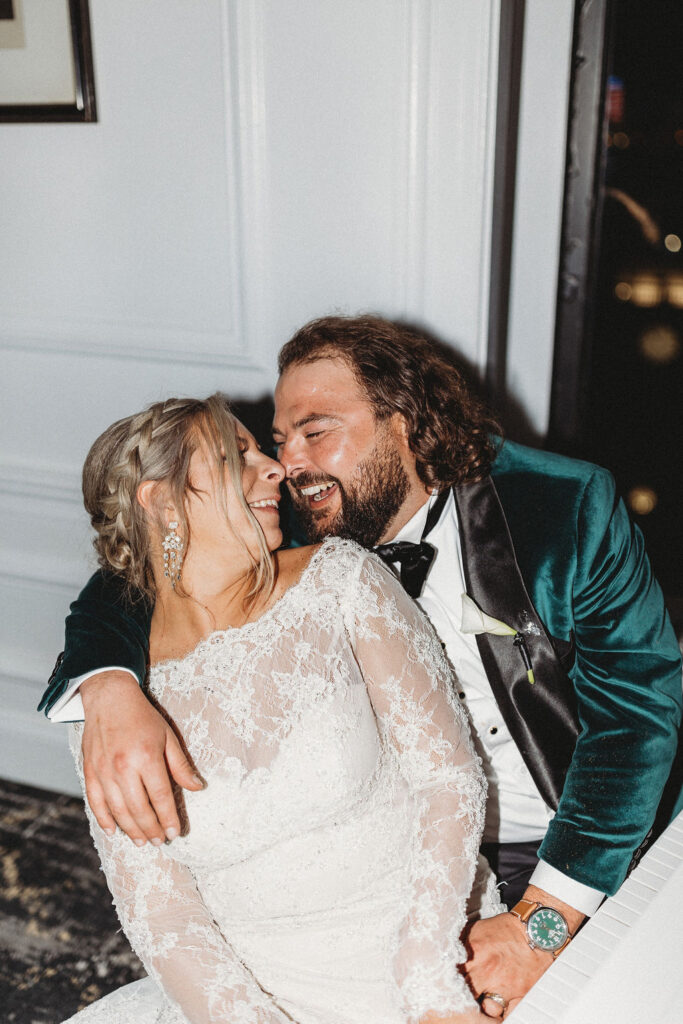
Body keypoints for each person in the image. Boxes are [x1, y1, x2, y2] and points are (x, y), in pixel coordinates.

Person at [41, 316, 682, 1018]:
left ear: (405, 423)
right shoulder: (293, 529)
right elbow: (145, 571)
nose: (286, 465)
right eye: (278, 441)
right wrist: (103, 683)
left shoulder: (559, 508)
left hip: (578, 836)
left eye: (316, 432)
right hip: (401, 866)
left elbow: (637, 720)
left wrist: (542, 922)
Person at [58, 393, 494, 1024]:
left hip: (432, 951)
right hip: (250, 999)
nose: (275, 468)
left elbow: (448, 779)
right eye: (238, 456)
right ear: (160, 501)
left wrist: (427, 979)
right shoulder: (107, 710)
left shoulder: (340, 581)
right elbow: (162, 914)